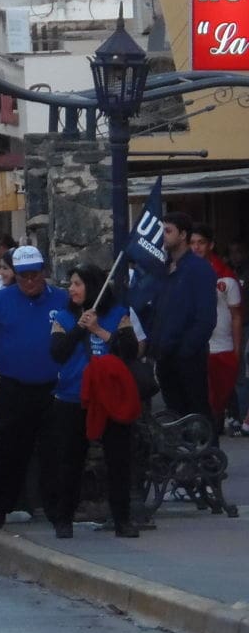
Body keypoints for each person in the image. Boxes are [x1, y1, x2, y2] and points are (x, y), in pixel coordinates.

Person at [0, 245, 66, 530]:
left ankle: (57, 512)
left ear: (43, 272)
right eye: (23, 276)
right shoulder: (0, 301)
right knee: (9, 452)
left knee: (55, 453)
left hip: (54, 389)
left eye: (34, 274)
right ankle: (1, 507)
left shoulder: (61, 300)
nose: (29, 281)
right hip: (13, 388)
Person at [48, 264, 141, 540]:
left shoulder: (117, 314)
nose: (72, 289)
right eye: (70, 284)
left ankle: (122, 519)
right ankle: (63, 519)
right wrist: (79, 328)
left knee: (118, 460)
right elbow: (58, 353)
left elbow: (130, 351)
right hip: (72, 396)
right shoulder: (63, 317)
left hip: (111, 397)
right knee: (69, 460)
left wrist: (99, 329)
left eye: (78, 283)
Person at [135, 212, 216, 421]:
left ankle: (206, 454)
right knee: (175, 415)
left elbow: (205, 317)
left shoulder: (199, 269)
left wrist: (186, 349)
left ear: (182, 235)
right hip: (164, 357)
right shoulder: (162, 269)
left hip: (188, 357)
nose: (163, 235)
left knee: (197, 414)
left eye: (168, 231)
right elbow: (155, 309)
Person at [190, 225, 244, 434]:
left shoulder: (225, 278)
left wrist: (237, 348)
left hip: (221, 347)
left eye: (201, 243)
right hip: (194, 347)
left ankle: (212, 448)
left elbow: (236, 316)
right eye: (193, 243)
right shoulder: (182, 273)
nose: (196, 248)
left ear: (210, 245)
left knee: (217, 403)